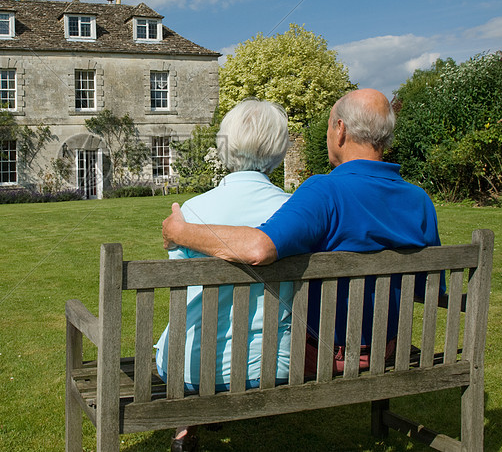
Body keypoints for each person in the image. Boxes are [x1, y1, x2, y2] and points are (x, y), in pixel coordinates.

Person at [162, 88, 441, 371]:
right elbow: (429, 287)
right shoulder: (420, 201)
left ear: (340, 130)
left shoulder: (324, 192)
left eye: (330, 126)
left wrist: (180, 232)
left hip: (326, 356)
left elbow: (260, 248)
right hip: (388, 350)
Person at [155, 98, 292, 452]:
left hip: (193, 368)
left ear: (224, 146)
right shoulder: (296, 211)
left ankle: (187, 425)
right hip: (275, 362)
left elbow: (181, 291)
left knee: (183, 335)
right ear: (279, 150)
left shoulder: (192, 211)